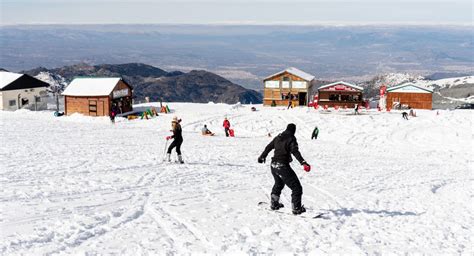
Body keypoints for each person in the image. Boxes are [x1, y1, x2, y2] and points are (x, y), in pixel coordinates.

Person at [257, 123, 311, 215]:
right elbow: (295, 151)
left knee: (279, 183)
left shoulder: (278, 136)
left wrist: (262, 156)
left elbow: (269, 147)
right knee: (296, 188)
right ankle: (296, 208)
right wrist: (303, 162)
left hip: (273, 165)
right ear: (294, 130)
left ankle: (274, 203)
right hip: (282, 166)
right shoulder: (291, 138)